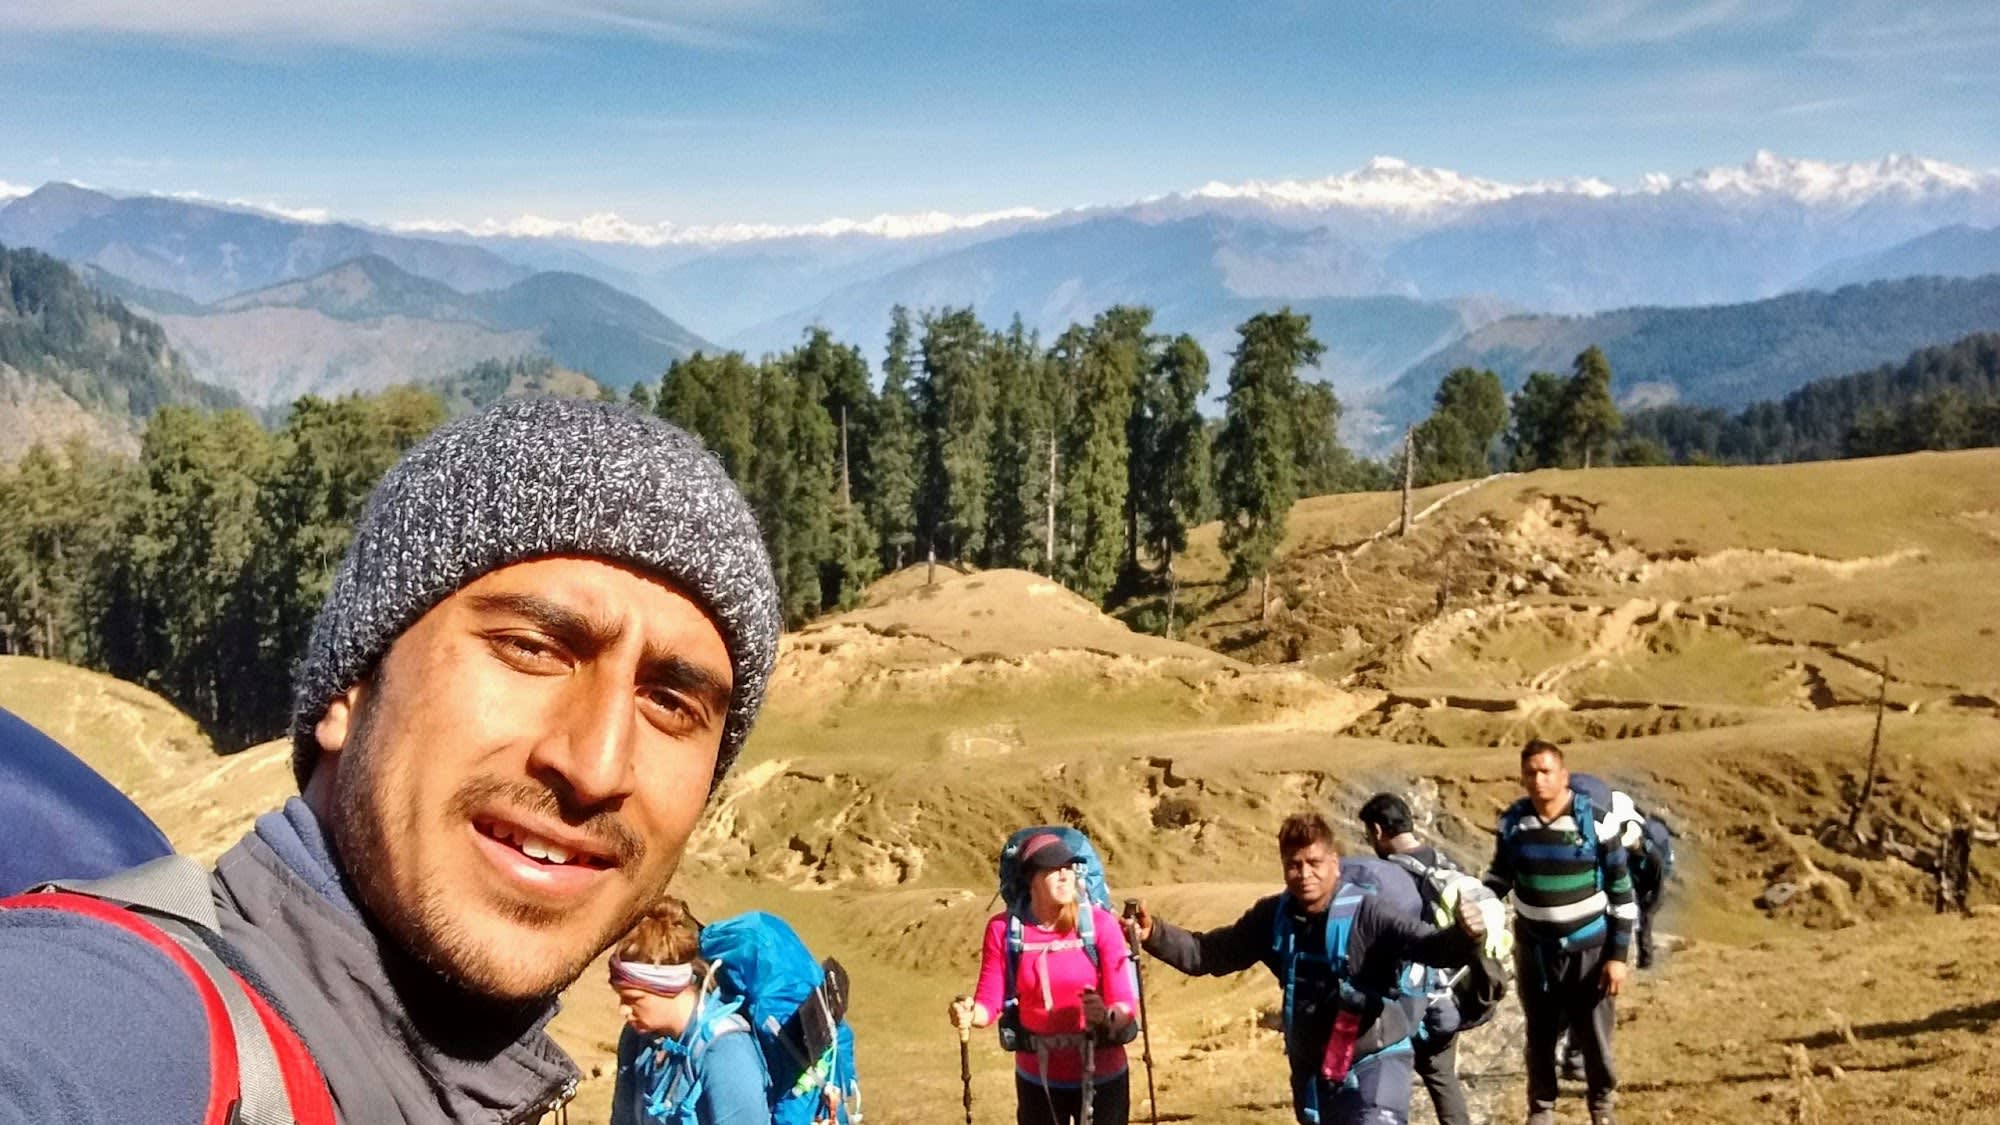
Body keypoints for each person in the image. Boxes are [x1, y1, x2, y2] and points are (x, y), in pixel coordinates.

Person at [0, 396, 781, 1123]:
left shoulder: (450, 1083)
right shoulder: (120, 1018)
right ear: (350, 685)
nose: (598, 764)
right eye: (531, 647)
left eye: (672, 703)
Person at [1131, 812, 1489, 1125]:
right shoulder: (1273, 916)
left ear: (1335, 863)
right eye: (1294, 864)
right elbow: (1208, 954)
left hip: (1376, 1062)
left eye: (1314, 863)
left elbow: (1428, 946)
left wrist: (1464, 936)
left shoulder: (1369, 914)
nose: (1304, 874)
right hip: (1315, 1074)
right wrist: (1154, 934)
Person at [1484, 740, 1637, 1125]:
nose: (1538, 780)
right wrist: (1476, 902)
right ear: (1522, 777)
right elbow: (1500, 876)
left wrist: (1617, 957)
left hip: (1590, 949)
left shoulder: (1597, 824)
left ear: (1563, 775)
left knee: (1593, 1037)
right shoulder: (1514, 824)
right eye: (1530, 772)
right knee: (1539, 1034)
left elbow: (1622, 894)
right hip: (1534, 949)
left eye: (1546, 771)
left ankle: (1601, 1107)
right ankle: (1541, 1109)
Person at [949, 832, 1139, 1125]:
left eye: (1068, 868)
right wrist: (969, 1013)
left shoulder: (1100, 925)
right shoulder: (1003, 930)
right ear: (1031, 878)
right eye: (1053, 869)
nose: (1065, 876)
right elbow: (990, 1001)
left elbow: (1125, 1003)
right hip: (1037, 1079)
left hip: (1103, 1075)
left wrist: (1105, 1016)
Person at [1356, 793, 1473, 1125]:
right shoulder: (1447, 863)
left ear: (1378, 831)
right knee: (1443, 1079)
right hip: (1449, 996)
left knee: (1386, 1082)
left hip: (1406, 1001)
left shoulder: (1386, 877)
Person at [610, 897, 771, 1125]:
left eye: (633, 999)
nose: (623, 1010)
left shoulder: (727, 1053)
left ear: (669, 988)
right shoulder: (636, 1038)